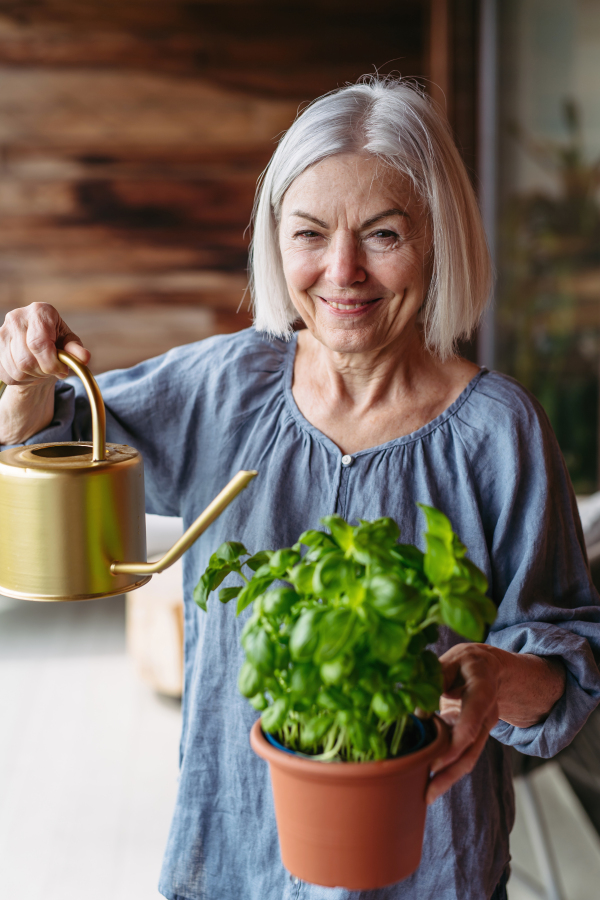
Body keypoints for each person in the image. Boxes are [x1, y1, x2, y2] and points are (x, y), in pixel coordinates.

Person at [1, 77, 599, 900]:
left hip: (431, 875)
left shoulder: (500, 431)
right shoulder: (225, 386)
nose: (343, 272)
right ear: (276, 243)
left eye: (384, 234)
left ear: (441, 240)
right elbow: (47, 435)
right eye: (310, 233)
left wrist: (500, 677)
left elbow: (570, 673)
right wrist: (24, 375)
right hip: (231, 866)